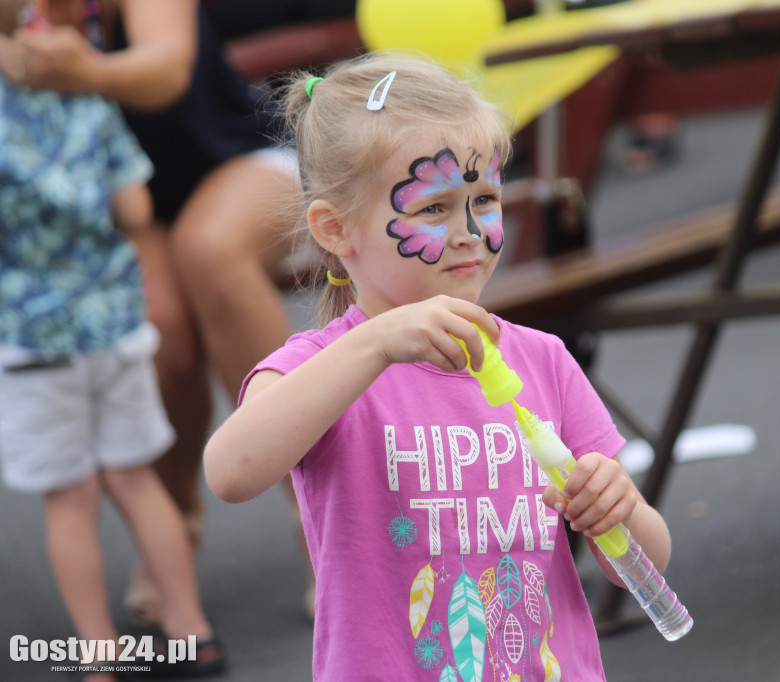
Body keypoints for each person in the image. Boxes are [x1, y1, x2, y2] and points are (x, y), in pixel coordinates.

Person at [203, 53, 674, 680]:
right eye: (434, 208)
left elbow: (640, 562)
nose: (469, 231)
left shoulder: (543, 359)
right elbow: (231, 472)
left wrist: (621, 509)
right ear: (336, 229)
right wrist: (374, 346)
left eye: (485, 198)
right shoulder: (322, 368)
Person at [0, 0, 316, 622]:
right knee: (158, 325)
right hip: (132, 207)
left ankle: (312, 511)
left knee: (210, 250)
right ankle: (175, 523)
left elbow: (165, 71)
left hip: (241, 159)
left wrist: (80, 70)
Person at [0, 1, 225, 679]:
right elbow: (134, 208)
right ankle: (192, 627)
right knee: (136, 479)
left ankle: (98, 656)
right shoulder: (91, 105)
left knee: (71, 502)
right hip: (116, 326)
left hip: (35, 341)